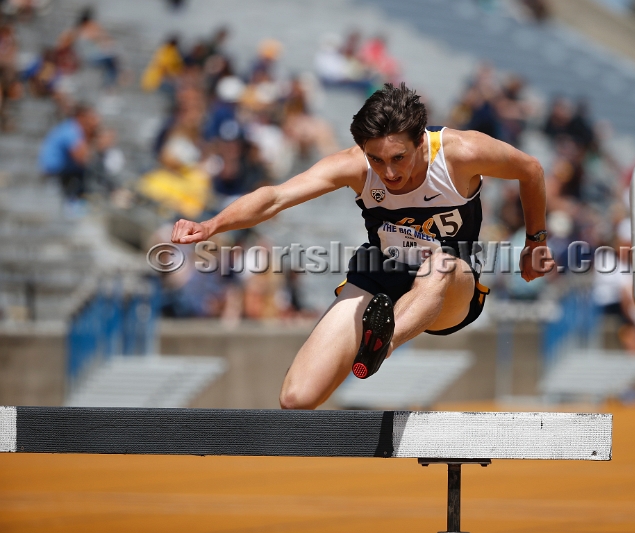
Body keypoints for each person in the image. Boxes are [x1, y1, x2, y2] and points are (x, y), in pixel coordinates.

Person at [171, 83, 550, 409]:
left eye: (398, 158)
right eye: (376, 160)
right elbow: (274, 197)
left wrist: (535, 241)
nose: (389, 173)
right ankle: (376, 335)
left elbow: (530, 169)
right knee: (297, 398)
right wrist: (211, 225)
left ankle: (381, 344)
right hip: (380, 277)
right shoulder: (355, 165)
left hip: (449, 288)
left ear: (420, 141)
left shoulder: (460, 153)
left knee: (440, 265)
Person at [38, 103, 99, 198]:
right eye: (91, 118)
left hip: (68, 174)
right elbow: (82, 159)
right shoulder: (71, 131)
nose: (94, 122)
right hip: (56, 176)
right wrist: (93, 139)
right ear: (81, 117)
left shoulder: (75, 129)